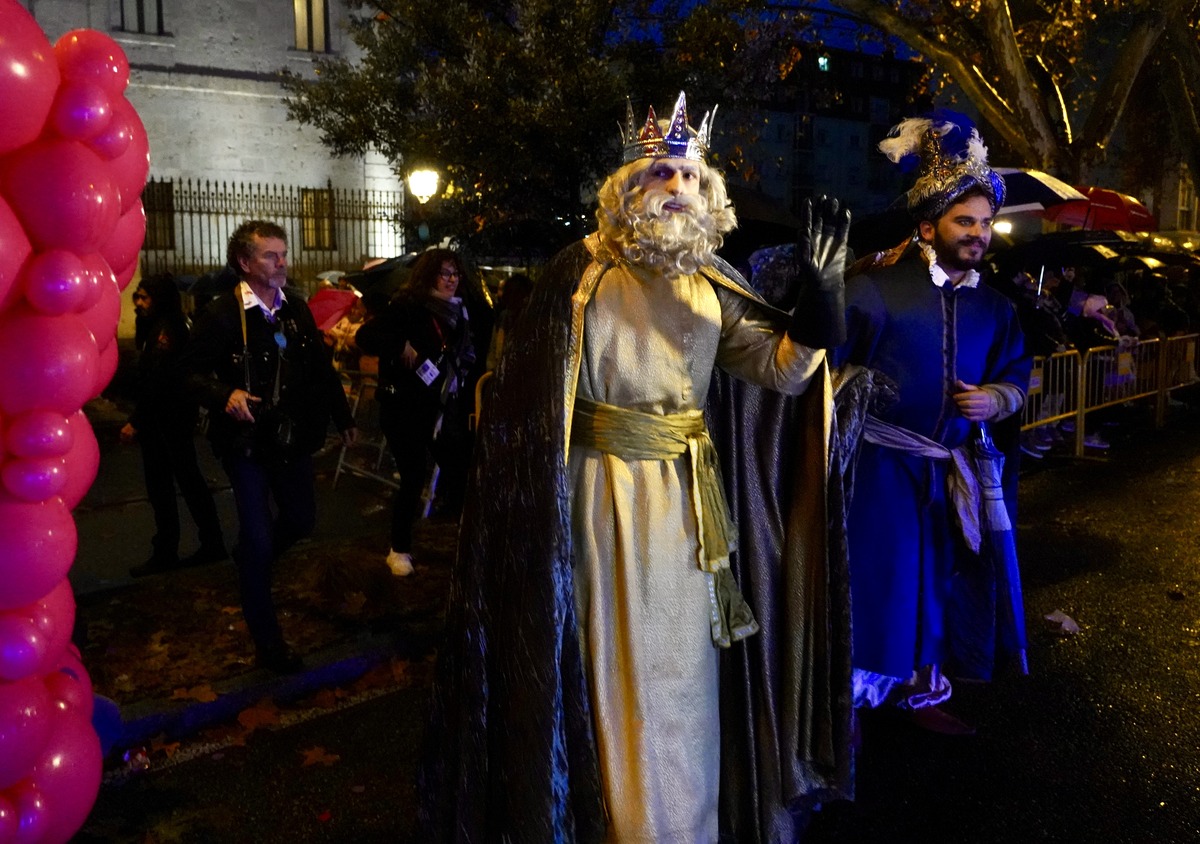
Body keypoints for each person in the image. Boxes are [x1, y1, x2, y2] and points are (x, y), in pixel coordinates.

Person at [420, 92, 852, 842]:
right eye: (660, 174)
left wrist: (823, 305)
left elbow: (782, 374)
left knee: (683, 679)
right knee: (606, 671)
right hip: (596, 495)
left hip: (688, 506)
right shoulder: (577, 277)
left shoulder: (711, 284)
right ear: (625, 191)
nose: (677, 189)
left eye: (690, 177)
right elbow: (527, 406)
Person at [836, 111, 1032, 735]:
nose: (977, 233)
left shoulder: (997, 308)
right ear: (929, 226)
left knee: (939, 580)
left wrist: (997, 398)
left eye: (983, 222)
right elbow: (819, 368)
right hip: (881, 470)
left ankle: (923, 687)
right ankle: (855, 700)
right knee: (880, 578)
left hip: (951, 472)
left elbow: (1018, 374)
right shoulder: (874, 291)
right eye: (963, 221)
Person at [182, 220, 356, 674]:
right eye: (270, 256)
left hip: (289, 437)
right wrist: (226, 395)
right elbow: (185, 375)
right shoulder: (221, 313)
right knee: (257, 538)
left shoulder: (295, 309)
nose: (282, 263)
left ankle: (250, 567)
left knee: (301, 520)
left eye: (283, 254)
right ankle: (269, 644)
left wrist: (344, 418)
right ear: (244, 262)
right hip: (246, 443)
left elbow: (320, 368)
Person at [354, 248, 480, 576]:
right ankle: (399, 549)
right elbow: (365, 336)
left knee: (460, 473)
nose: (452, 280)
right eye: (445, 273)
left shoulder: (461, 311)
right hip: (405, 407)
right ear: (429, 276)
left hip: (442, 407)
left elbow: (465, 355)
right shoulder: (407, 306)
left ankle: (465, 543)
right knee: (412, 476)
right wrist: (399, 345)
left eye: (455, 273)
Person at [121, 273, 227, 577]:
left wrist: (136, 422)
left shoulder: (167, 330)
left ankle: (173, 549)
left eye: (145, 297)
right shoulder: (165, 325)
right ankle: (204, 542)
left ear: (160, 298)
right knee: (182, 482)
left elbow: (157, 379)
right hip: (171, 418)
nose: (139, 303)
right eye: (137, 297)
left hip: (166, 421)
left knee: (169, 485)